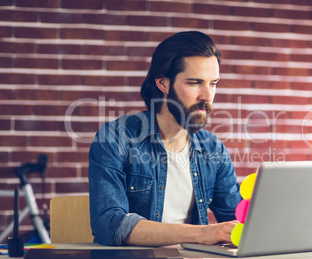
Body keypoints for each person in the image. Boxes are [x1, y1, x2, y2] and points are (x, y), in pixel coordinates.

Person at [88, 31, 242, 246]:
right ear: (163, 83)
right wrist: (202, 234)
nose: (207, 95)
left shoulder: (213, 148)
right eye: (195, 83)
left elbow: (237, 218)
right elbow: (109, 224)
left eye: (213, 83)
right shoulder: (115, 138)